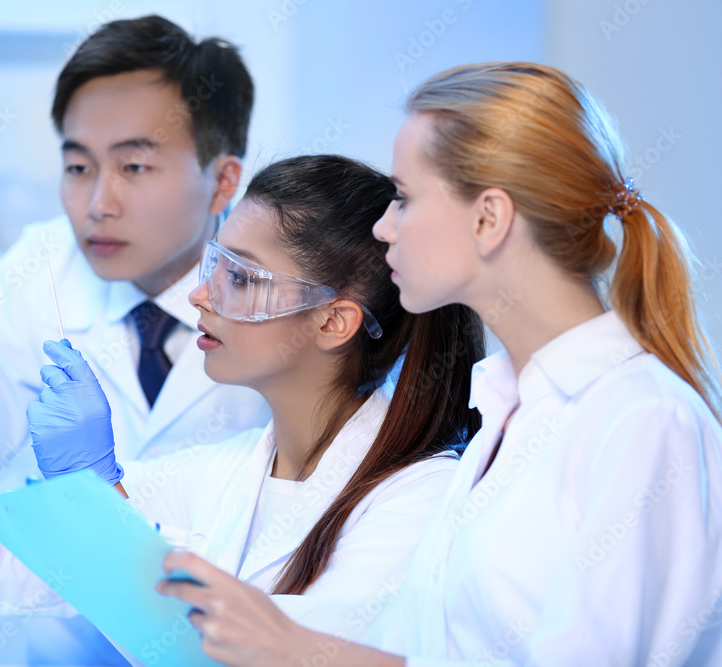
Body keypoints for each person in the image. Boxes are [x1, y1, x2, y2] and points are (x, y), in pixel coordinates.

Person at [154, 62, 722, 666]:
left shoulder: (642, 420)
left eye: (405, 198)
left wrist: (298, 651)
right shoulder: (507, 421)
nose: (383, 225)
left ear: (489, 218)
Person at [0, 154, 486, 662]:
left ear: (333, 319)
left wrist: (98, 501)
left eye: (240, 277)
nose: (199, 294)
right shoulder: (218, 474)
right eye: (214, 264)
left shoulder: (418, 500)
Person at [0, 15, 270, 664]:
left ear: (223, 181)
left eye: (136, 166)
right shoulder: (41, 269)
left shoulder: (284, 289)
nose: (98, 203)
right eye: (78, 165)